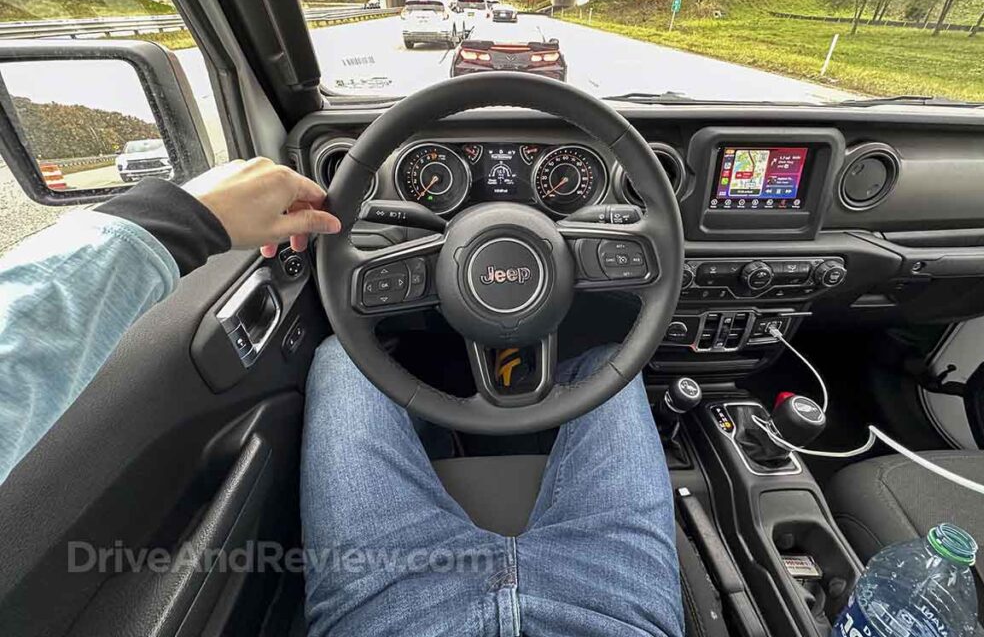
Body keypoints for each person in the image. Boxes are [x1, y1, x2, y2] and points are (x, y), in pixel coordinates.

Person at [0, 160, 685, 637]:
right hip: (613, 615)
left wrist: (181, 217)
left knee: (346, 358)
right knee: (603, 364)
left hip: (399, 621)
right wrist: (174, 218)